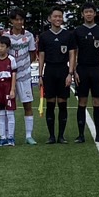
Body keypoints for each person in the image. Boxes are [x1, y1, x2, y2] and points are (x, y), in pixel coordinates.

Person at [37, 8, 74, 144]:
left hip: (63, 70)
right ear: (50, 18)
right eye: (55, 16)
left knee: (63, 103)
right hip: (50, 71)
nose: (58, 19)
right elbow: (41, 56)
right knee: (50, 103)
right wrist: (40, 75)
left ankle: (61, 136)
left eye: (60, 16)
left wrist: (70, 73)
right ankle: (51, 136)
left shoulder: (68, 35)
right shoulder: (44, 36)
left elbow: (72, 54)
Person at [73, 4, 99, 144]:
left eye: (91, 12)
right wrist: (74, 70)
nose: (88, 14)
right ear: (82, 14)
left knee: (97, 101)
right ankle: (80, 135)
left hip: (96, 69)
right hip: (82, 69)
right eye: (86, 12)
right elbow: (74, 52)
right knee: (82, 101)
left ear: (95, 13)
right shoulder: (77, 31)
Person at [3, 11, 37, 145]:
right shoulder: (5, 36)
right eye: (16, 19)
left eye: (21, 19)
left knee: (27, 105)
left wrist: (25, 66)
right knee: (8, 106)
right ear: (11, 21)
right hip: (9, 77)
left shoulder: (29, 35)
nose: (19, 22)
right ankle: (8, 135)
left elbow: (32, 53)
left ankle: (28, 136)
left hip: (24, 76)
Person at [0, 35, 18, 147]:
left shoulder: (11, 59)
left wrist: (12, 89)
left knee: (10, 113)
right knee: (1, 114)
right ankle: (3, 138)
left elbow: (14, 75)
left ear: (8, 48)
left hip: (7, 87)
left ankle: (11, 138)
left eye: (2, 46)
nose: (0, 49)